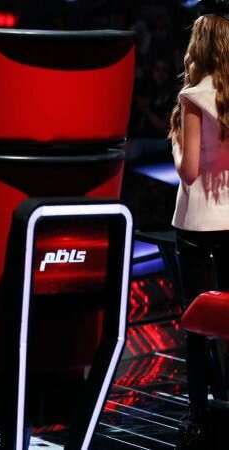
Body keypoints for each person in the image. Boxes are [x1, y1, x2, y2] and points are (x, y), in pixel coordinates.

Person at [169, 3, 229, 448]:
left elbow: (189, 171)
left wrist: (174, 144)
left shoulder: (193, 97)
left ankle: (198, 414)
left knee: (197, 322)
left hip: (198, 224)